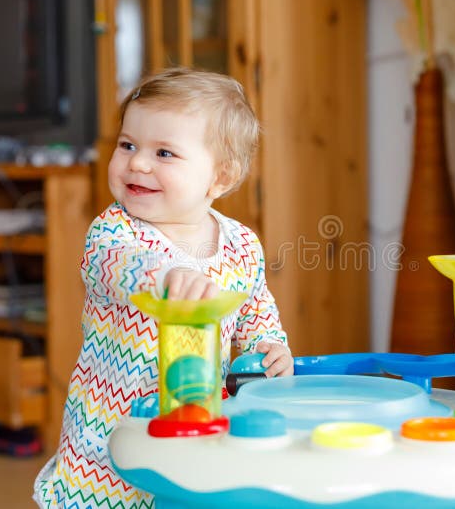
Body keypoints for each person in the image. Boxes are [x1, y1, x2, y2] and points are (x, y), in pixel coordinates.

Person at [33, 68, 292, 508]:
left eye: (165, 153)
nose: (137, 162)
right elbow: (119, 267)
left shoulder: (243, 244)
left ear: (220, 178)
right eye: (128, 145)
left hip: (195, 427)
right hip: (109, 438)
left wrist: (269, 345)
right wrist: (164, 275)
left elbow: (255, 308)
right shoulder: (114, 230)